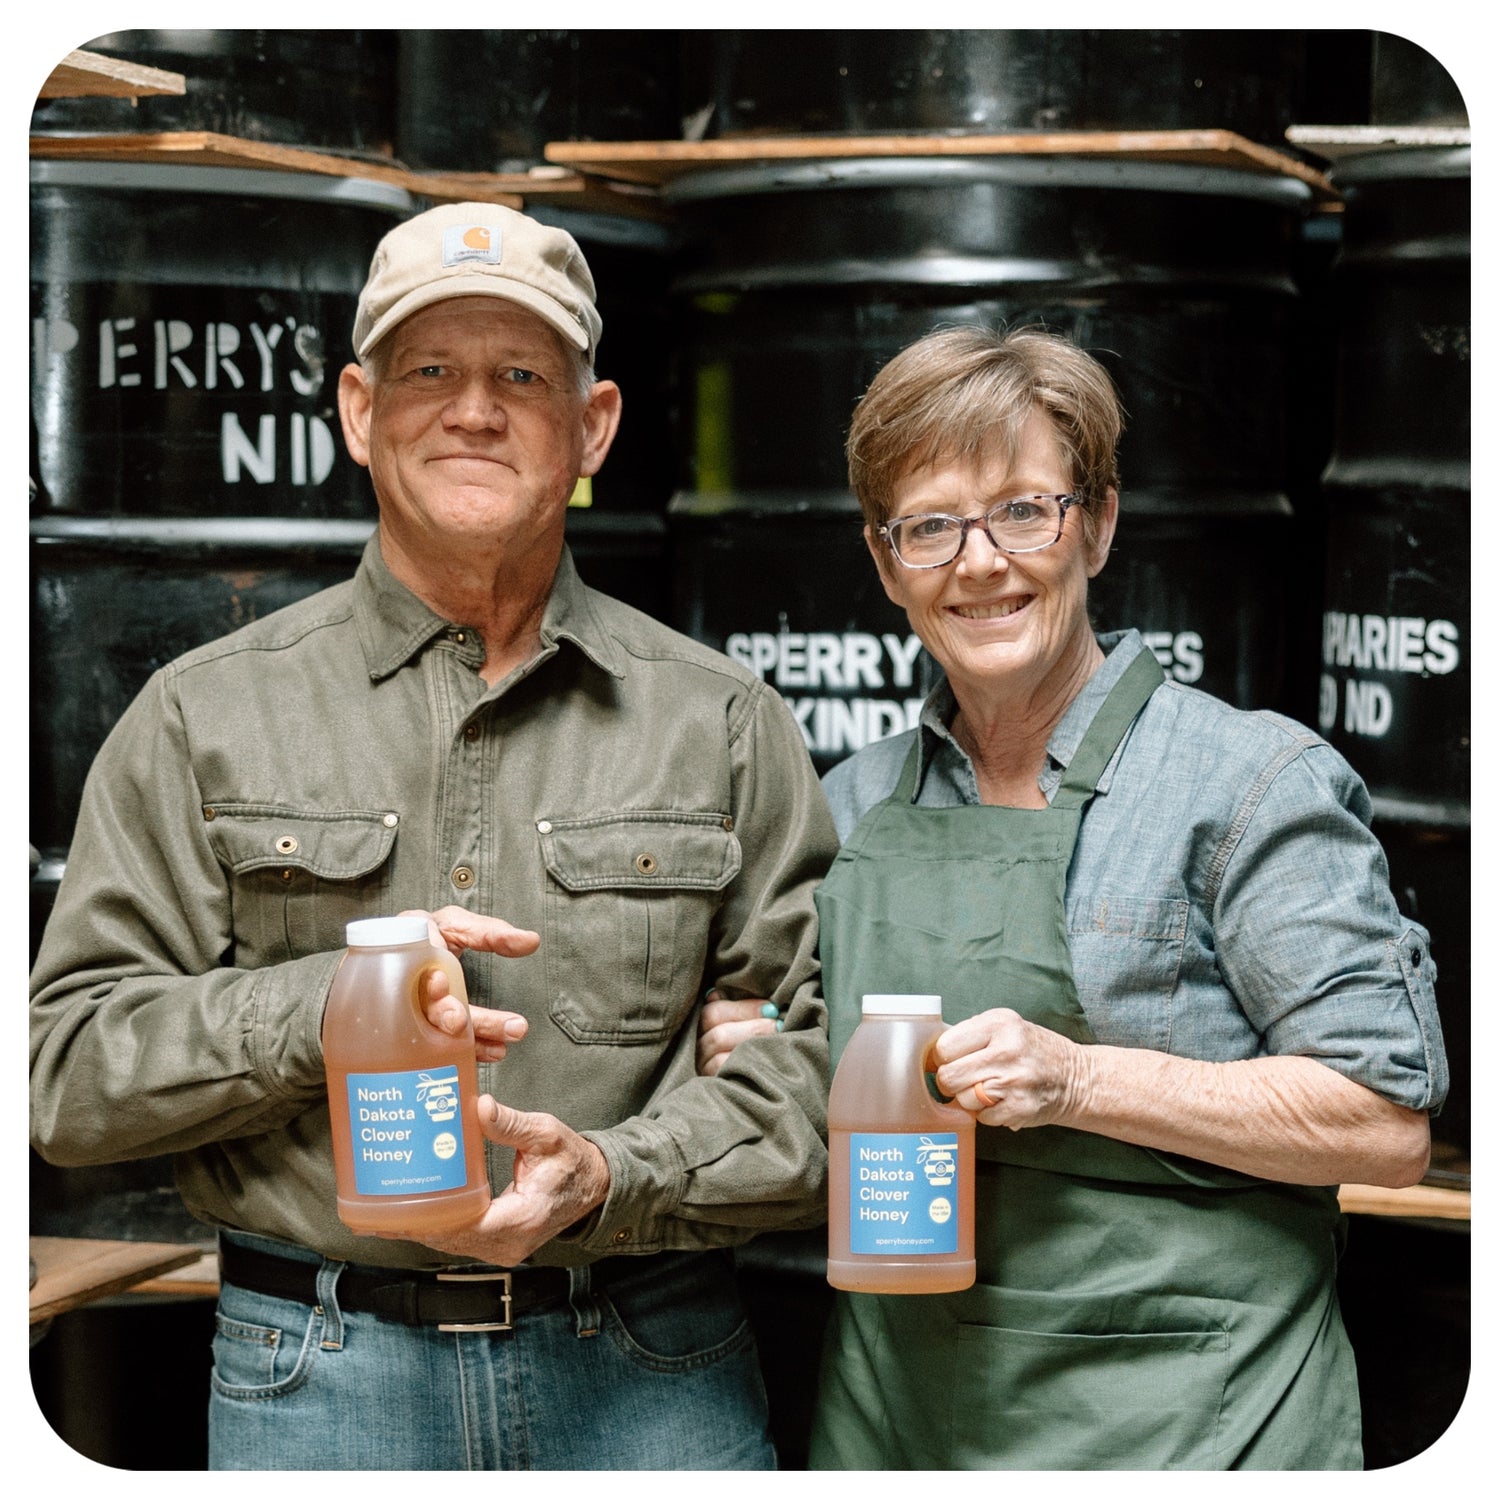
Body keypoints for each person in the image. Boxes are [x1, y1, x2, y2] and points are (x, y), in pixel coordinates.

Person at [29, 201, 839, 1472]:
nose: (474, 409)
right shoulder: (202, 715)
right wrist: (333, 1007)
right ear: (359, 411)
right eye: (429, 372)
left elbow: (826, 1081)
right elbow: (67, 1077)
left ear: (594, 427)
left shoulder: (725, 725)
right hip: (320, 1376)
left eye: (523, 374)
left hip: (646, 1373)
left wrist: (615, 1174)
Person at [711, 324, 1448, 1470]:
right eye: (931, 525)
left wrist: (1079, 1078)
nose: (980, 561)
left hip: (1189, 1426)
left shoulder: (1247, 785)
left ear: (1097, 524)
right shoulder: (849, 808)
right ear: (884, 558)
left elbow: (1384, 1123)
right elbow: (815, 1079)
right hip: (902, 1429)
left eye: (1023, 510)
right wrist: (760, 1045)